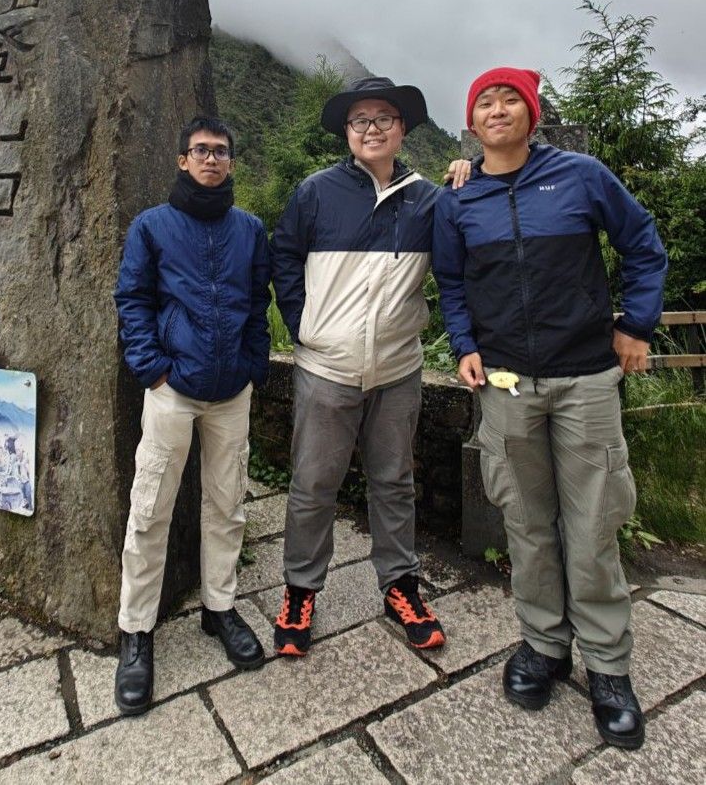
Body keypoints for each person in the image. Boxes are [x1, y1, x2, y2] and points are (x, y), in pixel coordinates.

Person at [432, 67, 667, 751]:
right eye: (485, 99)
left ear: (531, 114)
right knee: (527, 521)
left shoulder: (582, 177)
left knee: (593, 522)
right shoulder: (459, 199)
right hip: (504, 380)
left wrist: (638, 323)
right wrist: (466, 343)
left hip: (587, 375)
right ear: (471, 121)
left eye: (510, 98)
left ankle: (609, 665)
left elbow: (643, 245)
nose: (497, 107)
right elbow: (452, 281)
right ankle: (542, 644)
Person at [270, 76, 455, 657]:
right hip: (327, 367)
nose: (371, 129)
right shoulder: (317, 192)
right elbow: (283, 256)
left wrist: (467, 175)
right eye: (360, 121)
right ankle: (301, 589)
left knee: (394, 480)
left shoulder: (429, 199)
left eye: (383, 119)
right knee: (313, 484)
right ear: (347, 133)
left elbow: (461, 255)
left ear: (402, 129)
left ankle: (400, 584)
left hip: (397, 367)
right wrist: (304, 325)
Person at [113, 115, 271, 715]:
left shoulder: (250, 229)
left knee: (226, 504)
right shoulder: (152, 226)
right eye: (201, 151)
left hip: (233, 390)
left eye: (221, 151)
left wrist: (255, 361)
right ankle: (136, 630)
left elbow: (259, 300)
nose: (211, 159)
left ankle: (220, 608)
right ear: (182, 160)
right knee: (151, 507)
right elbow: (133, 298)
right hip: (173, 388)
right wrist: (152, 367)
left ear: (231, 161)